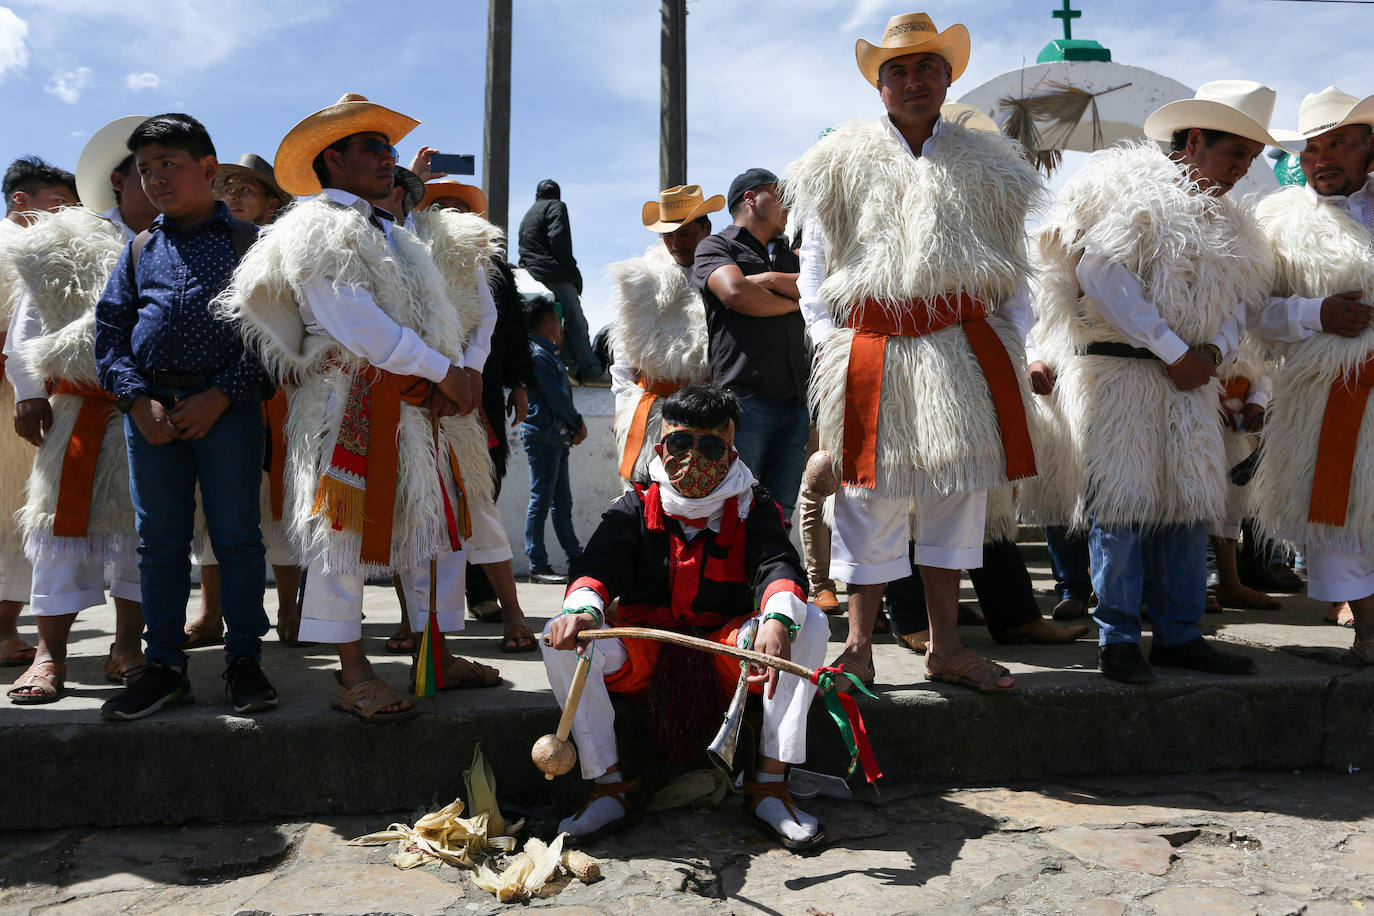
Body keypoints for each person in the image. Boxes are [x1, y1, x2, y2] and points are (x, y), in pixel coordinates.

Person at [219, 94, 500, 719]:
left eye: (389, 148)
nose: (387, 159)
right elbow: (356, 324)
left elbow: (442, 318)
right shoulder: (316, 224)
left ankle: (438, 656)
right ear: (332, 160)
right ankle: (352, 675)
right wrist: (445, 371)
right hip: (350, 401)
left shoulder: (392, 232)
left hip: (414, 402)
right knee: (340, 533)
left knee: (434, 528)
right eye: (372, 148)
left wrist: (455, 372)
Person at [785, 13, 1044, 692]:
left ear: (948, 76)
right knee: (868, 496)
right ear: (879, 86)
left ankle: (946, 647)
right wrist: (829, 345)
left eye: (926, 67)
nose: (912, 81)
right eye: (896, 71)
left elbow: (1014, 273)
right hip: (872, 350)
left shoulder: (991, 166)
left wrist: (1016, 345)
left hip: (963, 348)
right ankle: (859, 645)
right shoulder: (838, 161)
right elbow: (814, 271)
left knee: (956, 494)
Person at [1033, 81, 1279, 683]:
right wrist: (1173, 351)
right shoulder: (1132, 192)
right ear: (1195, 140)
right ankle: (1116, 637)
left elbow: (1237, 301)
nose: (1242, 172)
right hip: (1122, 375)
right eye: (1234, 156)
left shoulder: (1234, 226)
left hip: (1191, 379)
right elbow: (1100, 270)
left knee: (1186, 504)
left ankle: (1179, 633)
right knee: (1122, 504)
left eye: (1249, 161)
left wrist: (1213, 351)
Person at [542, 385, 829, 851]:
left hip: (726, 655)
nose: (695, 460)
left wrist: (777, 620)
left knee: (810, 622)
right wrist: (582, 610)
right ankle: (609, 786)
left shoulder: (754, 508)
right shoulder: (633, 506)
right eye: (680, 445)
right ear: (660, 448)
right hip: (645, 654)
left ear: (731, 450)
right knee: (559, 636)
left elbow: (776, 562)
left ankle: (769, 787)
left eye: (711, 447)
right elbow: (598, 563)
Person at [94, 113, 276, 719]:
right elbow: (111, 332)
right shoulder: (140, 248)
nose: (155, 180)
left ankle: (244, 660)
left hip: (228, 411)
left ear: (208, 170)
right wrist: (134, 399)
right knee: (160, 544)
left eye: (168, 164)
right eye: (145, 170)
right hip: (149, 416)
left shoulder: (251, 246)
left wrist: (222, 394)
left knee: (237, 539)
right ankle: (165, 666)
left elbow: (274, 339)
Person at [3, 123, 153, 707]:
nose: (157, 179)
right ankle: (49, 656)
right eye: (144, 169)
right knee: (58, 535)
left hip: (152, 412)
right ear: (118, 180)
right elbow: (27, 329)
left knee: (146, 535)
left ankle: (128, 646)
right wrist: (28, 392)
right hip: (77, 407)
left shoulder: (182, 240)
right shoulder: (65, 241)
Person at [1250, 87, 1374, 664]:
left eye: (1339, 144)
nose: (1322, 158)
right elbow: (1250, 311)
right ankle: (1369, 634)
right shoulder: (1276, 225)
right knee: (1337, 516)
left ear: (1369, 148)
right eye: (1312, 148)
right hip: (1326, 394)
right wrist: (1313, 312)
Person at [408, 177, 537, 656]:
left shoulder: (492, 264)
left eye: (456, 207)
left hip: (474, 390)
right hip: (410, 389)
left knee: (481, 496)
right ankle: (421, 620)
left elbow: (509, 329)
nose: (446, 214)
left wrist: (517, 382)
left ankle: (505, 605)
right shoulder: (404, 250)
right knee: (413, 505)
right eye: (437, 205)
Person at [189, 152, 303, 648]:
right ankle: (211, 612)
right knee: (216, 503)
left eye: (245, 189)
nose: (232, 195)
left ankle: (290, 610)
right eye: (227, 187)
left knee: (283, 503)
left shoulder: (291, 249)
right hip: (217, 390)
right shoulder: (206, 244)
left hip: (280, 391)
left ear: (271, 203)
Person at [691, 168, 809, 524]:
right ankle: (731, 582)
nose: (789, 204)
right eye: (779, 194)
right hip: (745, 401)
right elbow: (736, 292)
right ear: (751, 198)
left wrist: (770, 279)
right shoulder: (716, 245)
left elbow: (823, 290)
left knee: (780, 512)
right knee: (735, 507)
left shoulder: (789, 256)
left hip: (796, 403)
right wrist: (794, 302)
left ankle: (771, 580)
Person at [0, 156, 78, 670]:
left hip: (25, 393)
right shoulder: (15, 248)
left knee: (17, 519)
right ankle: (5, 632)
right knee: (15, 518)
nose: (65, 217)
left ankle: (7, 631)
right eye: (57, 206)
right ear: (19, 202)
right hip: (16, 396)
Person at [608, 184, 716, 483]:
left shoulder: (722, 275)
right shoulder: (643, 280)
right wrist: (621, 407)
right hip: (653, 411)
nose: (676, 243)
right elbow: (624, 353)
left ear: (706, 228)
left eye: (685, 233)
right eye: (668, 235)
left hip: (708, 413)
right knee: (645, 496)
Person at [521, 295, 584, 584]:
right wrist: (578, 423)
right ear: (548, 321)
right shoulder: (538, 355)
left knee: (561, 502)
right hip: (544, 436)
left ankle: (577, 560)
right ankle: (538, 563)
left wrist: (571, 427)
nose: (561, 327)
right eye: (557, 321)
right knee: (542, 500)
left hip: (555, 438)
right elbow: (556, 398)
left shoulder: (547, 354)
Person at [518, 179, 604, 385]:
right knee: (575, 321)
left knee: (554, 322)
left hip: (533, 274)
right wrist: (573, 274)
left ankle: (567, 366)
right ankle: (591, 371)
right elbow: (559, 240)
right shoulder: (556, 206)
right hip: (553, 272)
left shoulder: (528, 214)